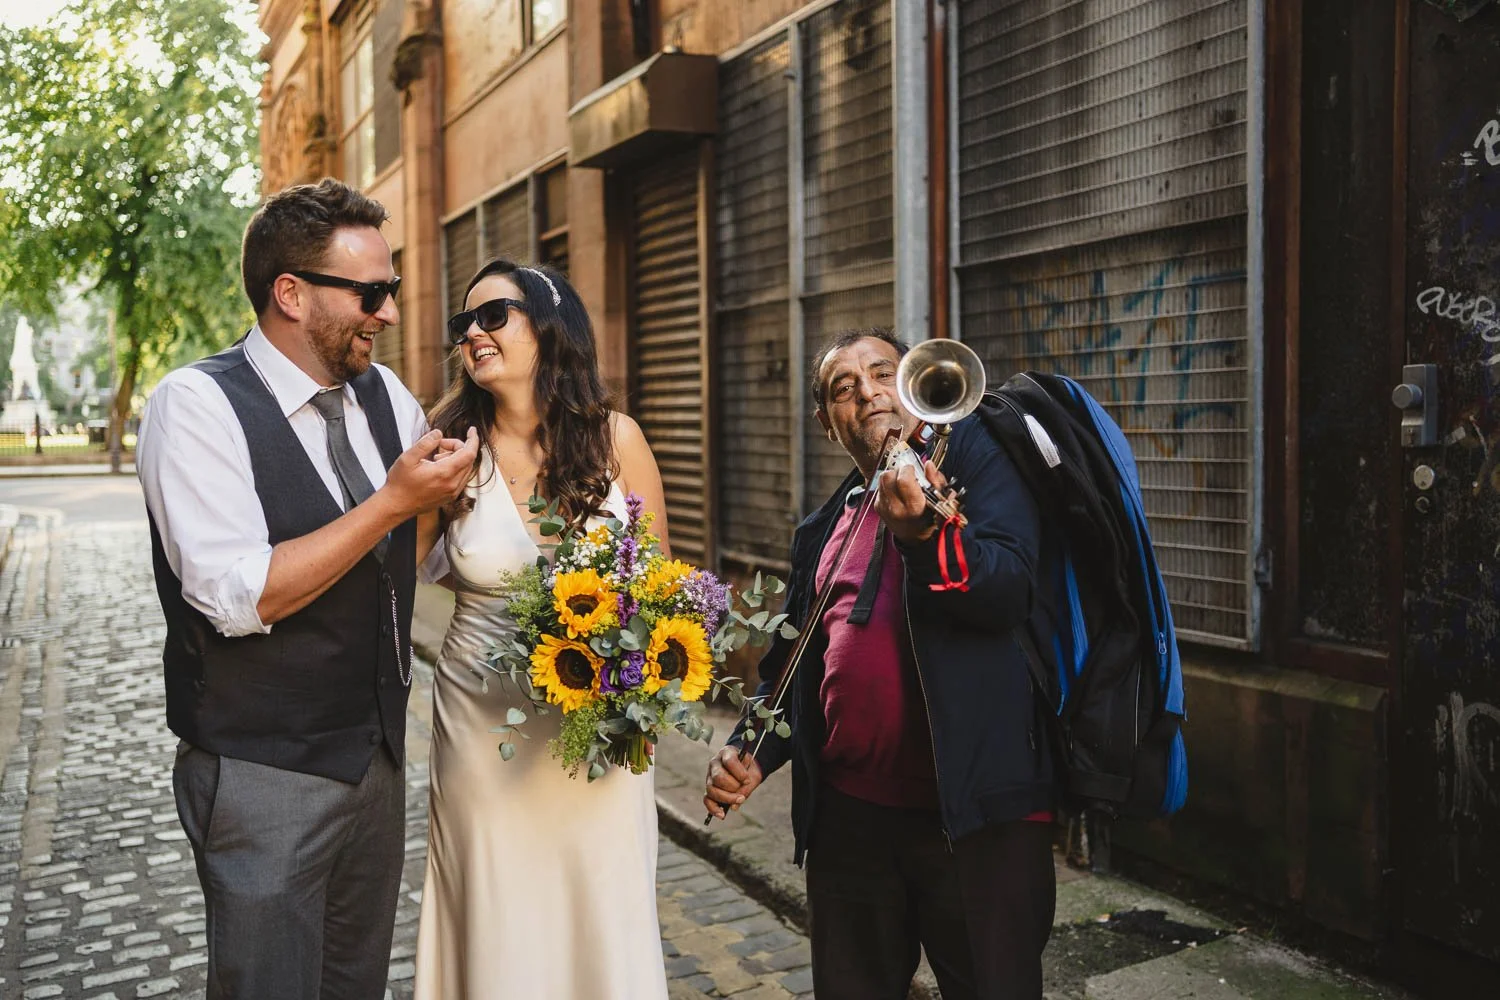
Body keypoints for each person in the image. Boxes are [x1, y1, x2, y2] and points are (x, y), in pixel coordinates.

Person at [138, 178, 479, 999]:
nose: (389, 313)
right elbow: (236, 595)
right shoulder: (195, 405)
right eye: (370, 293)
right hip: (264, 771)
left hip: (375, 761)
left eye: (390, 290)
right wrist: (394, 501)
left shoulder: (385, 396)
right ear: (290, 293)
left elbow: (411, 554)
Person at [702, 328, 1059, 999]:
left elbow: (1007, 591)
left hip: (978, 820)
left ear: (914, 386)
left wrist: (924, 534)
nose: (867, 393)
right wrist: (752, 748)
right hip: (850, 825)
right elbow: (792, 665)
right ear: (825, 421)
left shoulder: (982, 472)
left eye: (881, 374)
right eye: (844, 388)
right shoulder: (821, 529)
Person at [412, 258, 671, 999]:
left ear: (550, 325)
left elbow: (659, 597)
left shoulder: (617, 440)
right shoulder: (446, 449)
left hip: (599, 738)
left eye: (494, 315)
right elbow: (390, 581)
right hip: (482, 738)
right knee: (499, 920)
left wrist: (636, 690)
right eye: (464, 324)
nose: (474, 334)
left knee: (599, 913)